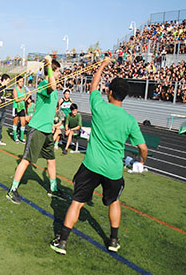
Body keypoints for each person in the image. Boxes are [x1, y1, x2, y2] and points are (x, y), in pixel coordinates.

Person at [50, 58, 148, 255]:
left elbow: (93, 86)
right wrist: (141, 160)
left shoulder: (99, 107)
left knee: (77, 203)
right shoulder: (129, 120)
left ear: (109, 92)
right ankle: (113, 240)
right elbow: (143, 147)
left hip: (91, 164)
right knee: (114, 202)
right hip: (112, 169)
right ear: (125, 96)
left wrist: (102, 65)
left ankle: (62, 242)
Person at [6, 55, 63, 204]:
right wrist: (49, 65)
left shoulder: (55, 88)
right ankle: (12, 190)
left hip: (47, 130)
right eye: (57, 72)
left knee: (51, 160)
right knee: (26, 160)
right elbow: (51, 86)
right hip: (37, 128)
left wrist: (51, 123)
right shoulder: (44, 84)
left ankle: (53, 188)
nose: (59, 75)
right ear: (51, 71)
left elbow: (50, 107)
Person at [12, 75, 28, 143]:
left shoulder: (24, 89)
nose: (21, 83)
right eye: (20, 81)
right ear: (17, 82)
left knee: (23, 123)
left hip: (22, 107)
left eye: (22, 81)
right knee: (15, 122)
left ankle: (21, 137)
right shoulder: (15, 89)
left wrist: (27, 96)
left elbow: (24, 99)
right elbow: (16, 99)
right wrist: (23, 98)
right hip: (16, 107)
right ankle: (15, 137)